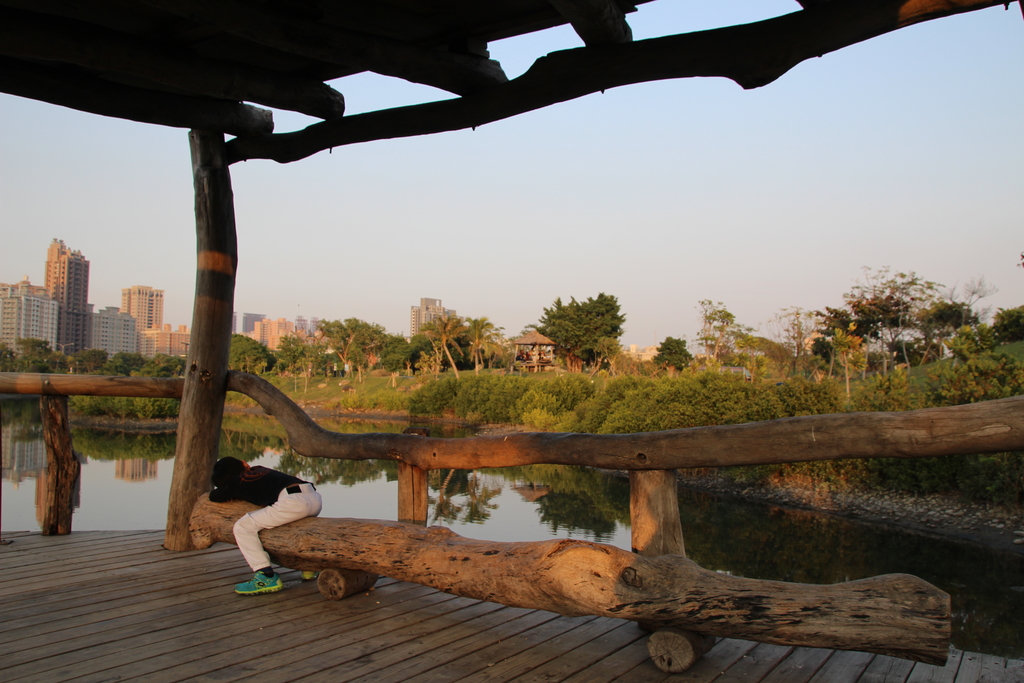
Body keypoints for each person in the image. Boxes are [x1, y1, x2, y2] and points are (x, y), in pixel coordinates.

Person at [210, 456, 323, 595]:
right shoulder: (259, 470)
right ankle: (309, 566)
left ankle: (266, 575)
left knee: (243, 527)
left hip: (293, 502)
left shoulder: (237, 481)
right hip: (314, 498)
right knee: (294, 527)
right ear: (243, 463)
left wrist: (229, 490)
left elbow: (214, 496)